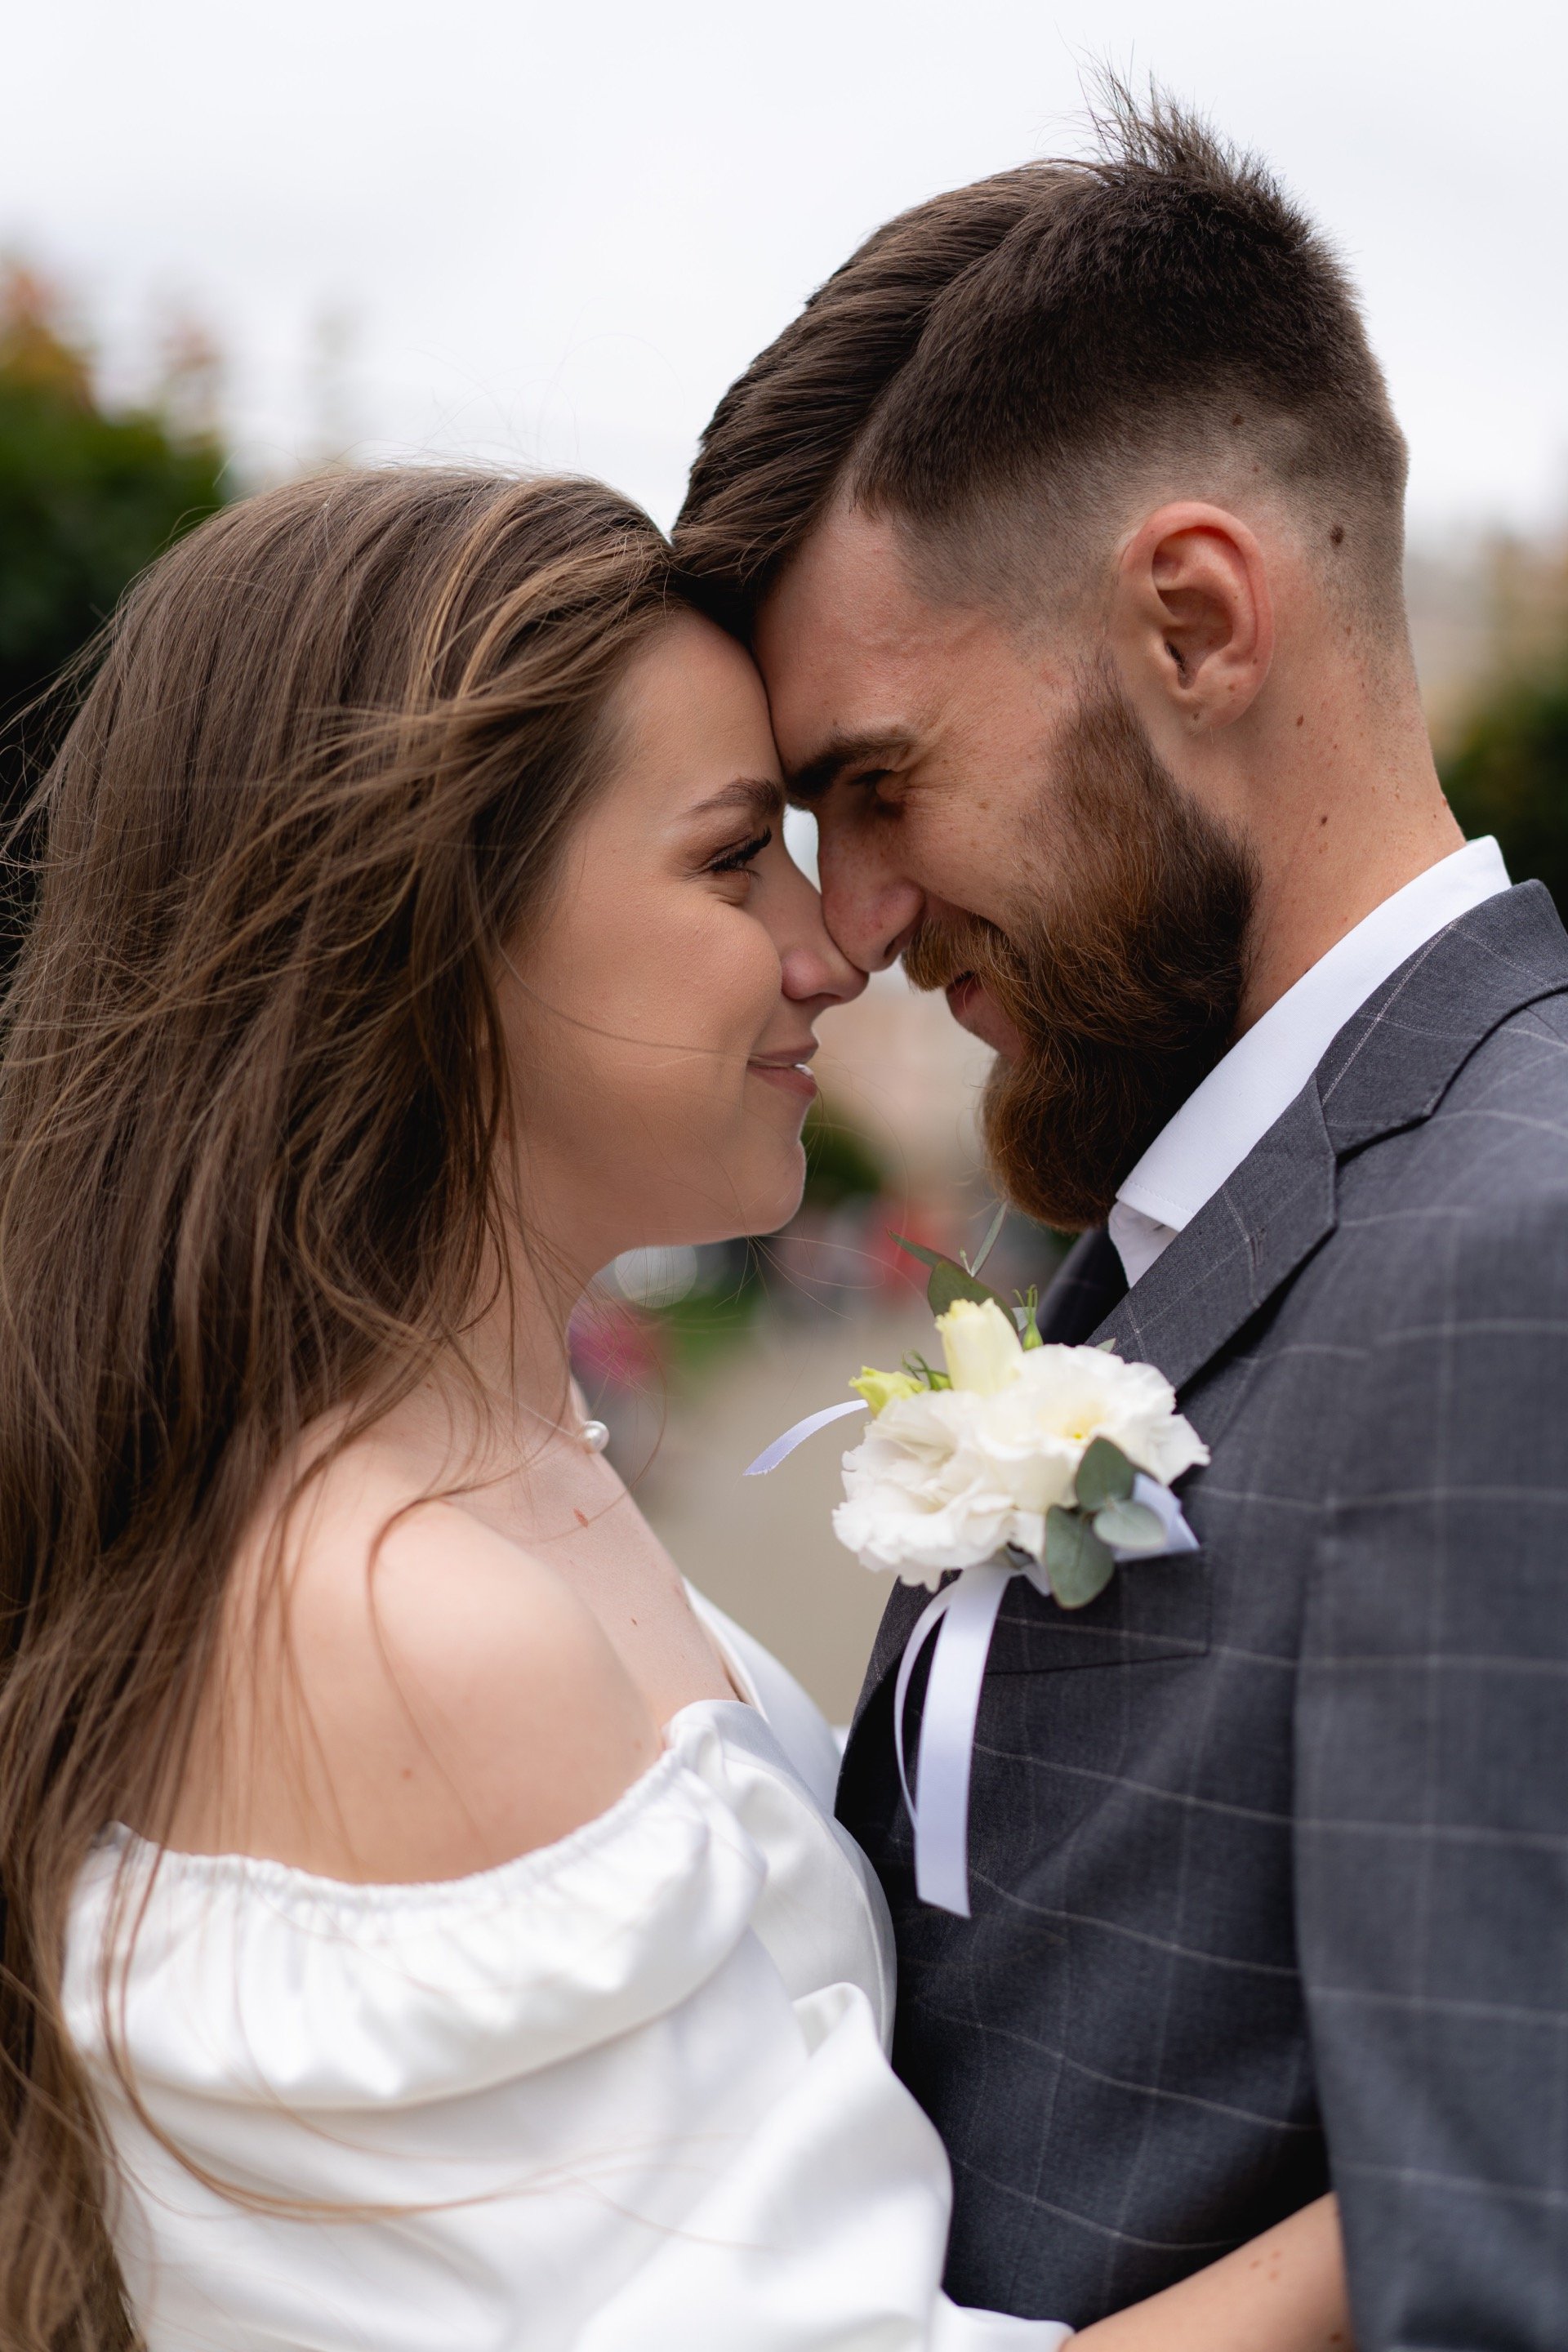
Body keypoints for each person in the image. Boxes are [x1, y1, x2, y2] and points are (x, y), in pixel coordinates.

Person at [0, 468, 1350, 2351]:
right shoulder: (406, 1616)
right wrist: (1450, 2156)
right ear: (434, 932)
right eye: (733, 860)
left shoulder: (502, 1477)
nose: (832, 945)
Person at [673, 85, 1568, 2352]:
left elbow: (1490, 2270)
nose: (851, 921)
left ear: (1194, 619)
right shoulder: (1206, 1213)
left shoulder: (1509, 1255)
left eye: (881, 784)